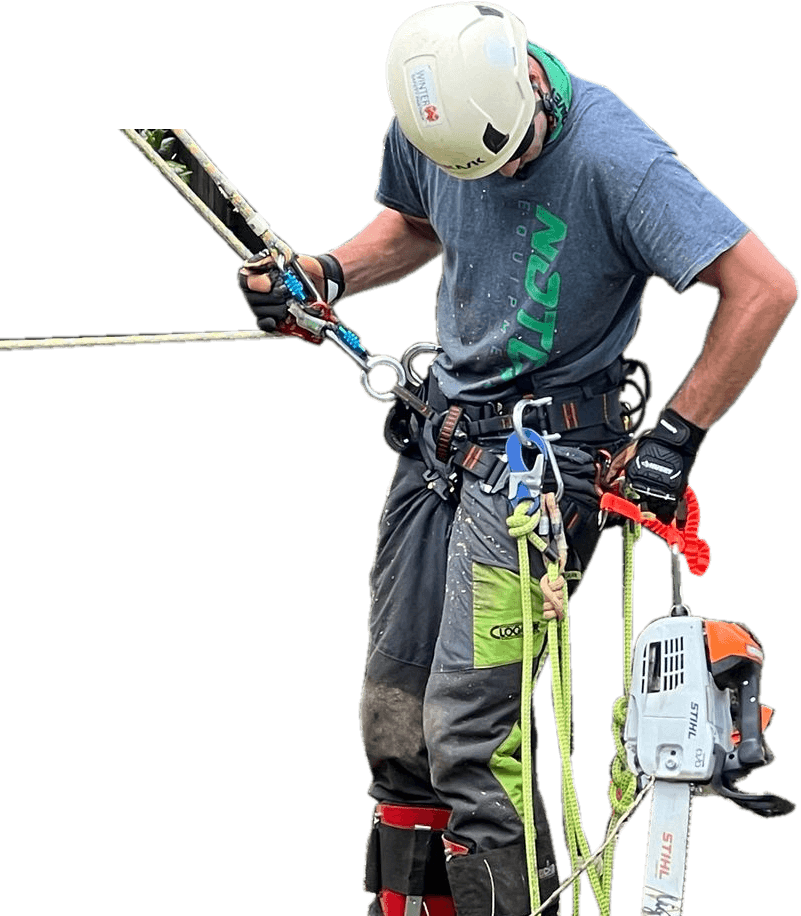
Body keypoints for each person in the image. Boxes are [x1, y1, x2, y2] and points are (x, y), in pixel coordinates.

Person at [237, 4, 797, 914]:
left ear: (530, 83)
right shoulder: (438, 109)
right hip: (443, 440)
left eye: (508, 161)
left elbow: (763, 287)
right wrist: (328, 274)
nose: (494, 178)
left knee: (468, 736)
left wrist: (674, 441)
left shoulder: (618, 158)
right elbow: (414, 224)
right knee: (394, 723)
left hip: (543, 466)